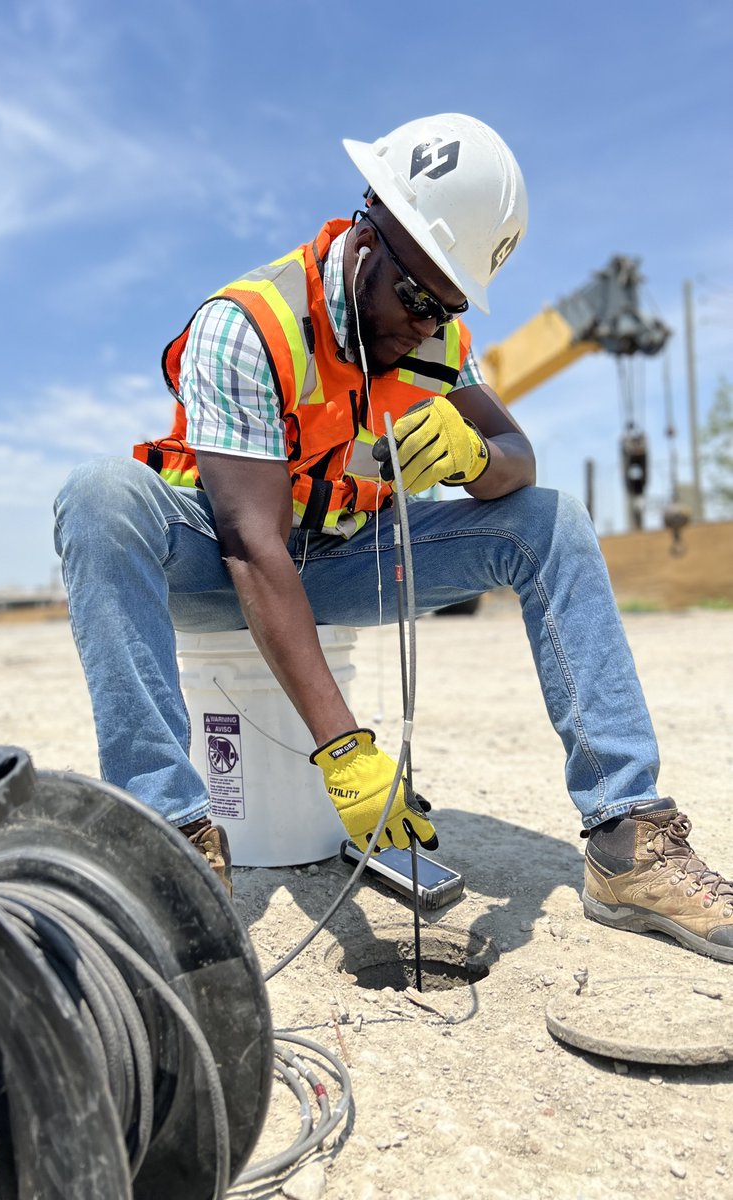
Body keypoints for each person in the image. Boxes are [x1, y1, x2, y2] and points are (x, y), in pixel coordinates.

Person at [54, 113, 733, 960]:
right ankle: (173, 839)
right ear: (368, 232)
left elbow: (519, 457)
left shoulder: (436, 337)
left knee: (548, 518)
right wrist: (344, 749)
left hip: (344, 560)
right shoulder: (249, 327)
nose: (425, 325)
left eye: (446, 306)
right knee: (100, 494)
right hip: (215, 567)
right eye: (417, 299)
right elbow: (252, 546)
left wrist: (478, 456)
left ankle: (628, 838)